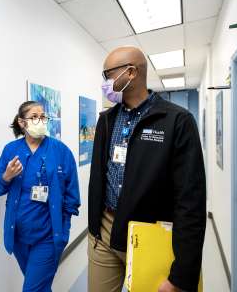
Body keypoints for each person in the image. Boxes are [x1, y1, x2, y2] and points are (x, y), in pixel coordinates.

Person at [88, 46, 206, 292]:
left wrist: (183, 275)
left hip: (152, 233)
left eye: (107, 74)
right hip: (105, 230)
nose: (105, 82)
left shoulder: (177, 121)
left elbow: (191, 201)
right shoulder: (106, 120)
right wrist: (95, 229)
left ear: (130, 73)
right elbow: (99, 177)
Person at [0, 101, 80, 292]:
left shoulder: (60, 151)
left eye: (43, 116)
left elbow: (72, 197)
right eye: (34, 117)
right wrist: (7, 176)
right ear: (22, 123)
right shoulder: (11, 150)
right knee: (39, 286)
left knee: (32, 289)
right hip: (19, 236)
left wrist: (63, 232)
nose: (41, 121)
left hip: (48, 236)